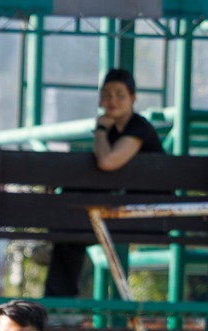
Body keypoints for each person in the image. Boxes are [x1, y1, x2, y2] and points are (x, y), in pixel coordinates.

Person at [46, 68, 164, 299]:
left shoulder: (138, 127)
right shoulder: (114, 132)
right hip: (124, 208)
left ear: (133, 98)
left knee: (70, 227)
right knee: (69, 228)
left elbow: (107, 161)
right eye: (107, 94)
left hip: (149, 213)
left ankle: (59, 299)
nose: (112, 100)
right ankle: (59, 299)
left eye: (120, 94)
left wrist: (100, 128)